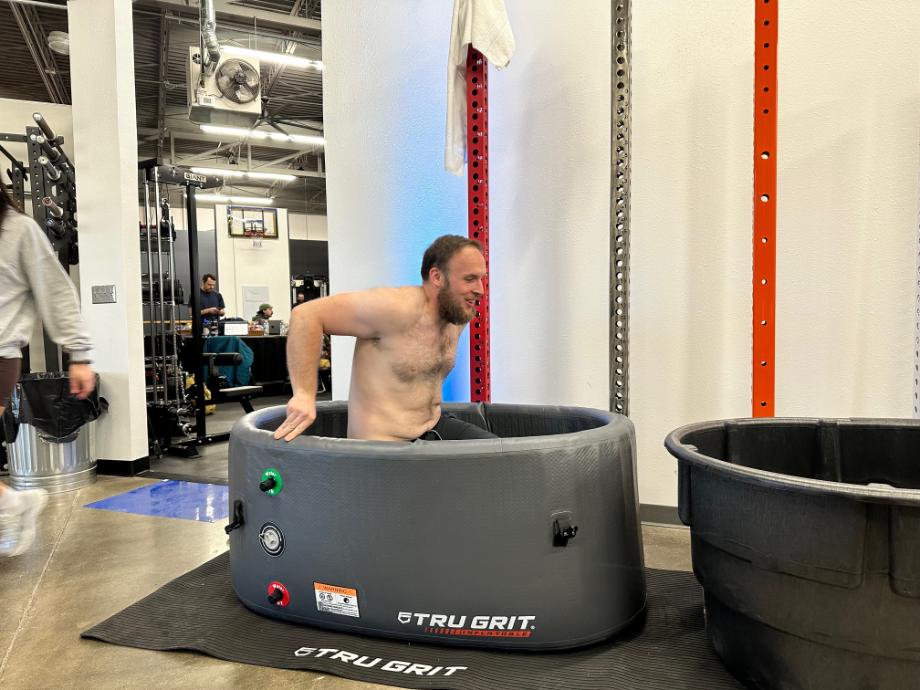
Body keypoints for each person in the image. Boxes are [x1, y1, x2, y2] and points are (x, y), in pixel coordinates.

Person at [275, 234, 497, 442]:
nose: (480, 290)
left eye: (481, 279)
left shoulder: (456, 315)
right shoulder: (394, 308)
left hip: (432, 427)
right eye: (469, 279)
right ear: (437, 277)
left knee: (506, 459)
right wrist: (303, 394)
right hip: (385, 444)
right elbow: (306, 315)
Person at [0, 182, 95, 557]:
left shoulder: (18, 230)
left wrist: (80, 355)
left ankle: (13, 503)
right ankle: (12, 503)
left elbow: (56, 292)